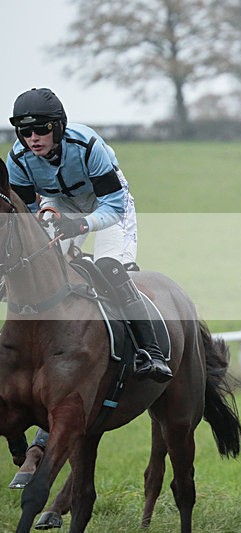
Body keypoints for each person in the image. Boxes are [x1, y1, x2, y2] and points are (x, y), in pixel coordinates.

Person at [6, 88, 171, 382]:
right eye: (25, 131)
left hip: (107, 204)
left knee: (110, 267)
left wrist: (80, 226)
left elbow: (113, 206)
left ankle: (151, 352)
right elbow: (27, 219)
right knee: (33, 261)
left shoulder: (86, 145)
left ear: (57, 127)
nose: (33, 138)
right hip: (61, 204)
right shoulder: (17, 160)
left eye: (41, 129)